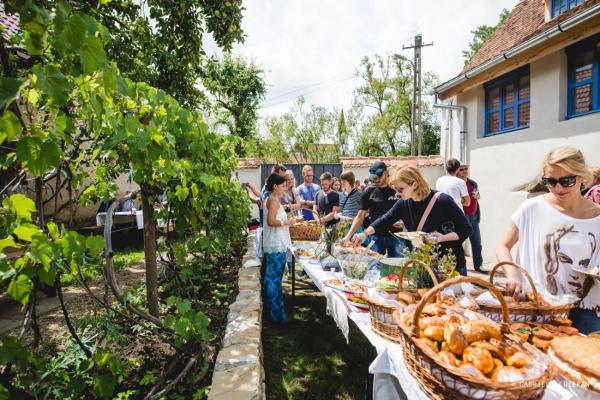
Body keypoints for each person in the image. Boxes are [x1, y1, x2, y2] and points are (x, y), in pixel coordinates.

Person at [496, 146, 600, 334]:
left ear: (581, 177)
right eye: (550, 181)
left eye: (566, 181)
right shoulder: (531, 208)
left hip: (586, 312)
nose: (558, 188)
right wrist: (512, 275)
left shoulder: (597, 217)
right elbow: (503, 245)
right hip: (537, 307)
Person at [351, 166, 472, 276]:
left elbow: (466, 229)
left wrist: (442, 238)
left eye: (400, 189)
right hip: (423, 265)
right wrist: (364, 233)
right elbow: (385, 219)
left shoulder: (443, 201)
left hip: (449, 267)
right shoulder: (403, 202)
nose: (397, 194)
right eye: (395, 189)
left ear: (414, 184)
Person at [343, 161, 405, 257]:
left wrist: (404, 221)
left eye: (378, 177)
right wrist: (348, 236)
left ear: (386, 172)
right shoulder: (369, 191)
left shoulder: (396, 189)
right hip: (376, 235)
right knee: (375, 265)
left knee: (397, 266)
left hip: (395, 235)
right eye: (373, 178)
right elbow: (360, 216)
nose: (376, 180)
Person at [263, 173, 294, 323]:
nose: (284, 188)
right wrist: (286, 223)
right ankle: (275, 316)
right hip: (276, 245)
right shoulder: (273, 200)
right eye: (282, 186)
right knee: (274, 281)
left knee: (272, 279)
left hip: (273, 243)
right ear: (275, 186)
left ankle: (273, 314)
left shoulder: (271, 199)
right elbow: (271, 221)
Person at [458, 164, 485, 273]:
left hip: (473, 216)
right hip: (462, 217)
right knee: (458, 242)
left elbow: (477, 197)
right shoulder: (457, 184)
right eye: (462, 169)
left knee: (477, 242)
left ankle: (478, 265)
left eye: (466, 169)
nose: (465, 171)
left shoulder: (473, 183)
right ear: (457, 171)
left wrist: (478, 196)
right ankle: (458, 265)